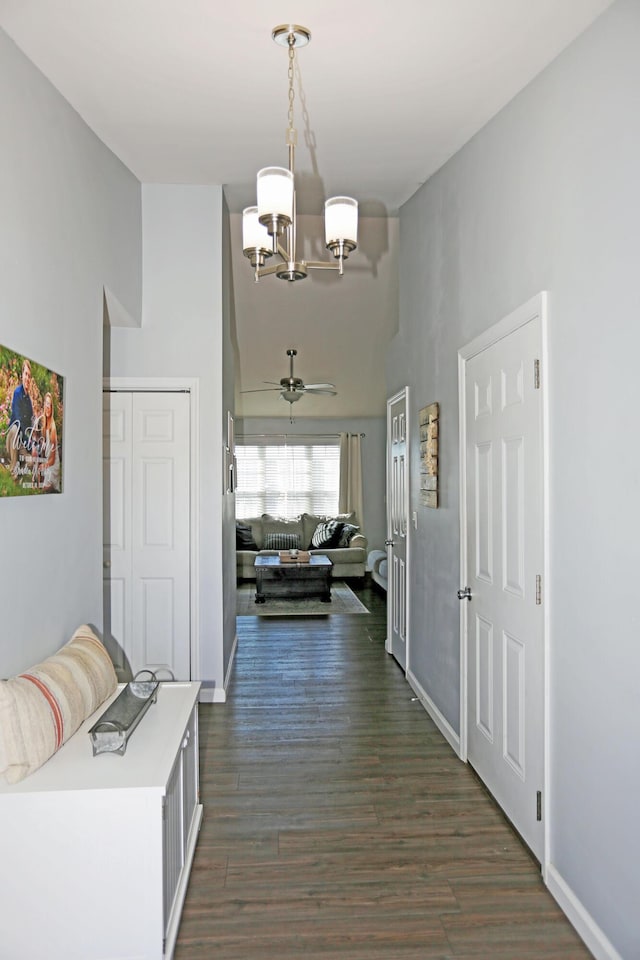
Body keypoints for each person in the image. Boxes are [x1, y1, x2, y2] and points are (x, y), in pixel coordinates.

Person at [6, 359, 35, 479]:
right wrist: (26, 440)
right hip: (13, 439)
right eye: (25, 374)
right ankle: (14, 472)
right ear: (21, 375)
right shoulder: (17, 393)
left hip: (22, 442)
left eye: (29, 375)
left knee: (31, 463)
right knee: (14, 428)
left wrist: (32, 444)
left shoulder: (29, 401)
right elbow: (18, 419)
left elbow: (30, 426)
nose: (27, 378)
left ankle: (18, 469)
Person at [39, 391, 60, 492]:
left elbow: (52, 459)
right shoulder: (44, 424)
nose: (47, 407)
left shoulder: (53, 428)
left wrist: (43, 465)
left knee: (44, 489)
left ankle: (52, 485)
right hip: (47, 461)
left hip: (52, 464)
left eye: (50, 405)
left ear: (52, 408)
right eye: (46, 403)